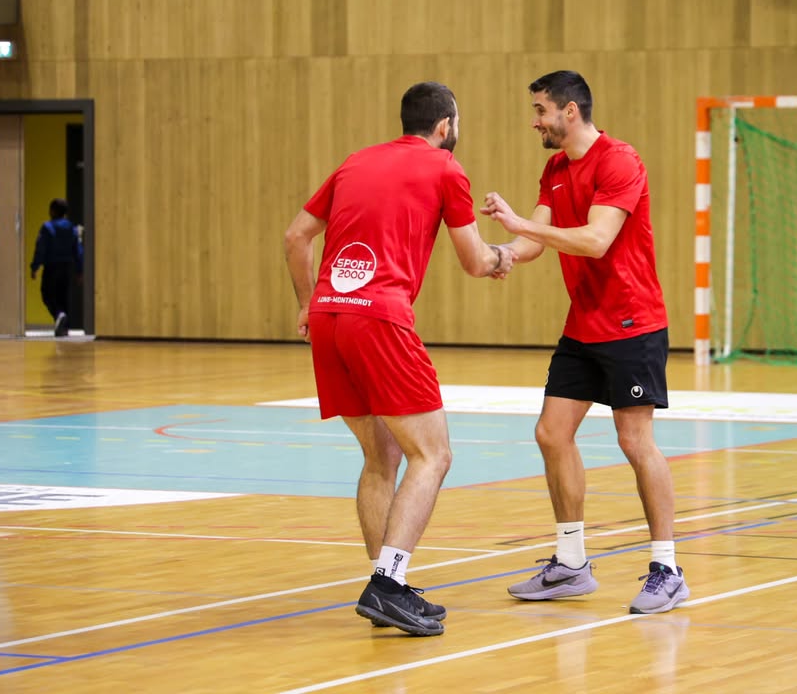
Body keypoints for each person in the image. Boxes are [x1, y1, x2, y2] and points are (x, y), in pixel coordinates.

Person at [284, 81, 515, 637]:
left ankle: (386, 583)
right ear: (445, 125)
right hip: (379, 319)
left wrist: (307, 302)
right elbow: (472, 260)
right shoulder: (445, 168)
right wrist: (501, 256)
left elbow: (296, 237)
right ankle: (387, 585)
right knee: (433, 455)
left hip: (330, 316)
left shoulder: (355, 162)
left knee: (380, 456)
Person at [481, 70, 689, 614]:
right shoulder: (555, 168)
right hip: (583, 324)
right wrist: (501, 254)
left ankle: (667, 569)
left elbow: (596, 240)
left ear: (569, 111)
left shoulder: (620, 161)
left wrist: (520, 226)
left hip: (632, 323)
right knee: (551, 434)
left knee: (635, 441)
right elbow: (536, 241)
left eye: (541, 110)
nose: (535, 121)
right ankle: (572, 564)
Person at [30, 198, 82, 337]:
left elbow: (40, 248)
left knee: (47, 294)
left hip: (51, 267)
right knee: (63, 296)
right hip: (67, 267)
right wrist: (79, 270)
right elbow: (78, 250)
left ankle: (59, 315)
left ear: (52, 211)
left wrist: (35, 266)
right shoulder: (71, 228)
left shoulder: (47, 227)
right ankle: (64, 328)